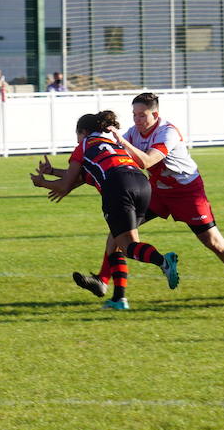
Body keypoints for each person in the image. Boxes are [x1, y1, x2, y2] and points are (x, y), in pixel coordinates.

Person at [94, 92, 224, 300]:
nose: (137, 120)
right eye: (134, 115)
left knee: (214, 242)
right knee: (118, 232)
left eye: (142, 115)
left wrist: (123, 142)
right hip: (157, 192)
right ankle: (102, 281)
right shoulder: (133, 133)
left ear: (155, 115)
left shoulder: (167, 132)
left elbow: (147, 161)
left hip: (187, 192)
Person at [31, 110, 180, 311]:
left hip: (117, 186)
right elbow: (84, 175)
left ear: (82, 132)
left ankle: (163, 261)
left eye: (77, 135)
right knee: (116, 242)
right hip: (142, 184)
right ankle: (118, 298)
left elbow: (66, 185)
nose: (76, 139)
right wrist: (53, 172)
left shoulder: (83, 146)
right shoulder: (111, 143)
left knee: (127, 246)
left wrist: (41, 183)